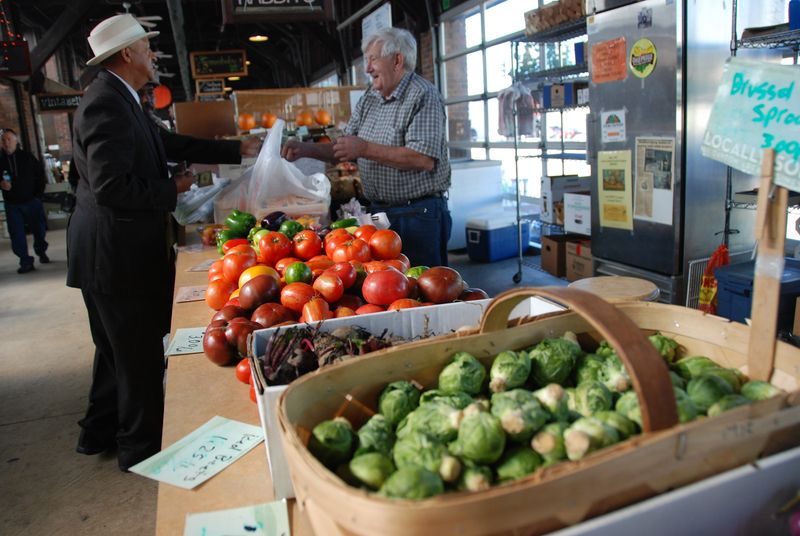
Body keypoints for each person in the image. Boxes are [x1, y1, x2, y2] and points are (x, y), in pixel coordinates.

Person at [68, 14, 260, 472]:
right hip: (113, 255)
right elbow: (110, 186)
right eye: (148, 49)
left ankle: (98, 433)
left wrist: (239, 149)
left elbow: (165, 141)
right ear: (129, 53)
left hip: (114, 252)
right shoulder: (105, 103)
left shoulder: (122, 97)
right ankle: (140, 451)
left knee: (115, 351)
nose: (154, 57)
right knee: (135, 358)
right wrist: (172, 188)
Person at [281, 27, 452, 267]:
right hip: (381, 215)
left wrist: (363, 148)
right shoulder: (370, 97)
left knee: (422, 289)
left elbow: (423, 158)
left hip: (418, 215)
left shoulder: (423, 96)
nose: (367, 68)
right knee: (388, 289)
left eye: (373, 59)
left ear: (397, 60)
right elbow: (344, 147)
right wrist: (304, 149)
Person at [0, 128, 49, 273]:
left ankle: (41, 251)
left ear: (16, 141)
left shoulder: (27, 157)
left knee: (39, 229)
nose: (6, 142)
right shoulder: (0, 161)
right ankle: (25, 261)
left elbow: (40, 175)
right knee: (17, 233)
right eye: (3, 140)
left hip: (31, 201)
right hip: (12, 204)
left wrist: (38, 196)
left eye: (9, 139)